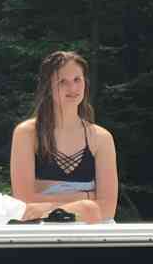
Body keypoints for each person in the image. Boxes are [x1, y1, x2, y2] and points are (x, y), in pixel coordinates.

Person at [10, 50, 118, 222]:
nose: (72, 88)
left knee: (89, 209)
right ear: (48, 87)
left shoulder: (101, 138)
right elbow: (23, 203)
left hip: (93, 228)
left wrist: (47, 190)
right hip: (42, 226)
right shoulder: (27, 133)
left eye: (77, 80)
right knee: (88, 207)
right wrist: (87, 197)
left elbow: (108, 209)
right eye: (62, 82)